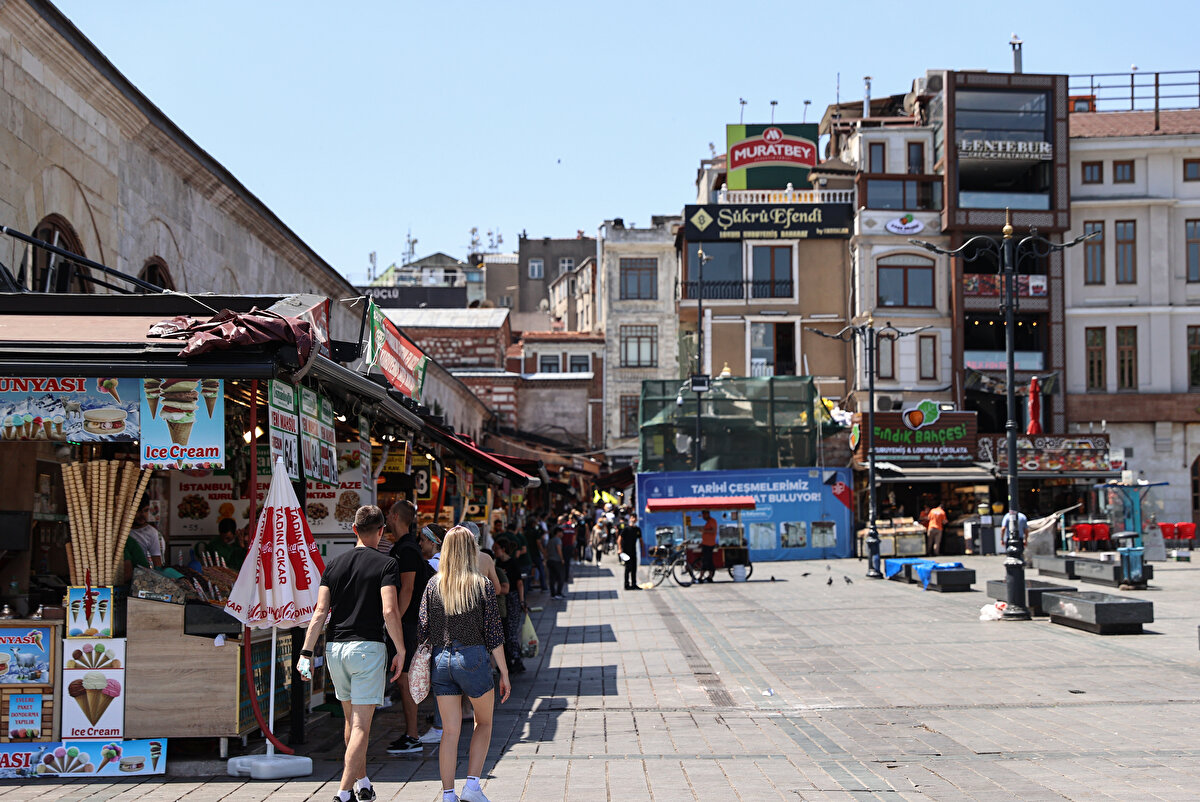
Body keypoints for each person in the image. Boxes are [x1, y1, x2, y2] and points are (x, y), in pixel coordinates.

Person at [297, 505, 403, 802]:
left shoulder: (333, 564)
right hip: (368, 649)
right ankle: (343, 792)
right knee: (361, 725)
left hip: (335, 649)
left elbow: (320, 612)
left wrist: (306, 652)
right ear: (381, 531)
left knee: (351, 722)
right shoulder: (387, 564)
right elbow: (389, 610)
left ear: (354, 529)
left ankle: (363, 782)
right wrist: (401, 648)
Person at [418, 526, 511, 802]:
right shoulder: (481, 584)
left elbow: (422, 629)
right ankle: (471, 785)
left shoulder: (433, 584)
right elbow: (493, 633)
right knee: (484, 722)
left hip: (441, 660)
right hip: (472, 658)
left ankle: (448, 794)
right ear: (472, 550)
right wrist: (504, 672)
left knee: (449, 731)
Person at [385, 500, 431, 755]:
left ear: (395, 516)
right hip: (406, 622)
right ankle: (410, 733)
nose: (386, 519)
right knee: (403, 679)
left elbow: (408, 588)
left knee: (406, 680)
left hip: (408, 623)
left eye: (388, 514)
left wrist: (395, 621)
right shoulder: (403, 546)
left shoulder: (408, 549)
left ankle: (413, 735)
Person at [493, 538, 526, 674]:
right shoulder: (497, 563)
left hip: (512, 598)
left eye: (496, 548)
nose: (494, 551)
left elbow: (519, 583)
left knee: (511, 632)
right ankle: (508, 661)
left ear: (503, 549)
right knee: (505, 632)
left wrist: (522, 601)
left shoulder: (512, 563)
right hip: (503, 601)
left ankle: (517, 660)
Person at [129, 498, 164, 568]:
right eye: (138, 510)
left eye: (146, 510)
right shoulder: (121, 531)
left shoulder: (153, 534)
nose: (143, 515)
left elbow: (157, 566)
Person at [619, 514, 642, 591]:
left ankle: (634, 584)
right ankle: (626, 585)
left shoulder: (637, 529)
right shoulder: (626, 528)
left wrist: (643, 550)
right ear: (630, 519)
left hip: (633, 551)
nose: (634, 519)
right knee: (628, 568)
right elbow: (619, 538)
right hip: (626, 551)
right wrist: (620, 549)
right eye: (632, 518)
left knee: (634, 568)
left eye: (635, 518)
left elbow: (640, 539)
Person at [546, 525, 565, 599]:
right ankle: (558, 593)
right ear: (558, 532)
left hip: (550, 560)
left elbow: (546, 550)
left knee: (552, 578)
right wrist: (562, 559)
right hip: (556, 560)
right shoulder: (557, 540)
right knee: (560, 577)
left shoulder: (550, 540)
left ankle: (553, 594)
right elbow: (559, 549)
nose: (562, 534)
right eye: (562, 533)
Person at [699, 510, 718, 583]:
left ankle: (703, 577)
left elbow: (713, 531)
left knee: (706, 560)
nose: (703, 517)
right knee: (707, 560)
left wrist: (704, 531)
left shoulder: (712, 521)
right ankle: (708, 576)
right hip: (705, 544)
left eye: (704, 515)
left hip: (709, 544)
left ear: (707, 514)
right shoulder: (708, 522)